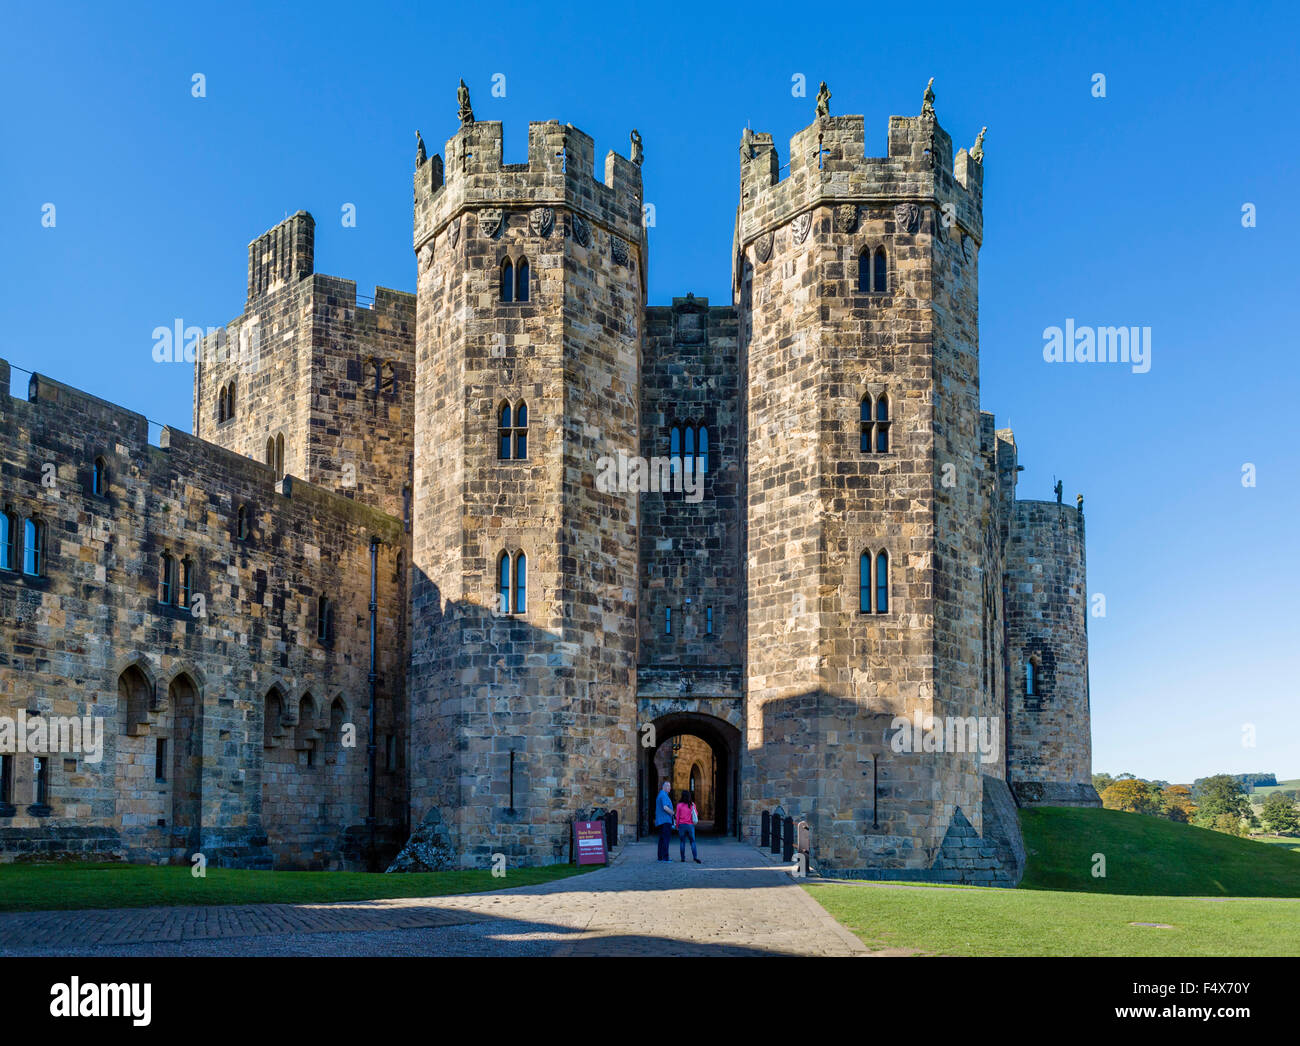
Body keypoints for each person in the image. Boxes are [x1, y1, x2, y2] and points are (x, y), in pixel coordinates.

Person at [675, 790, 701, 864]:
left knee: (682, 842)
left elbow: (677, 816)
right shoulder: (692, 805)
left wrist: (677, 825)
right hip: (690, 826)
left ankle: (683, 858)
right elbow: (696, 814)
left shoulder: (679, 805)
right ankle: (695, 857)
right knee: (692, 842)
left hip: (681, 825)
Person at [655, 780, 675, 861]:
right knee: (665, 840)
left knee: (661, 839)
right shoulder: (664, 795)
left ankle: (660, 857)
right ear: (665, 787)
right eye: (669, 786)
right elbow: (665, 807)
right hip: (665, 821)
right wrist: (673, 813)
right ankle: (665, 858)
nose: (670, 788)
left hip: (661, 821)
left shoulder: (661, 794)